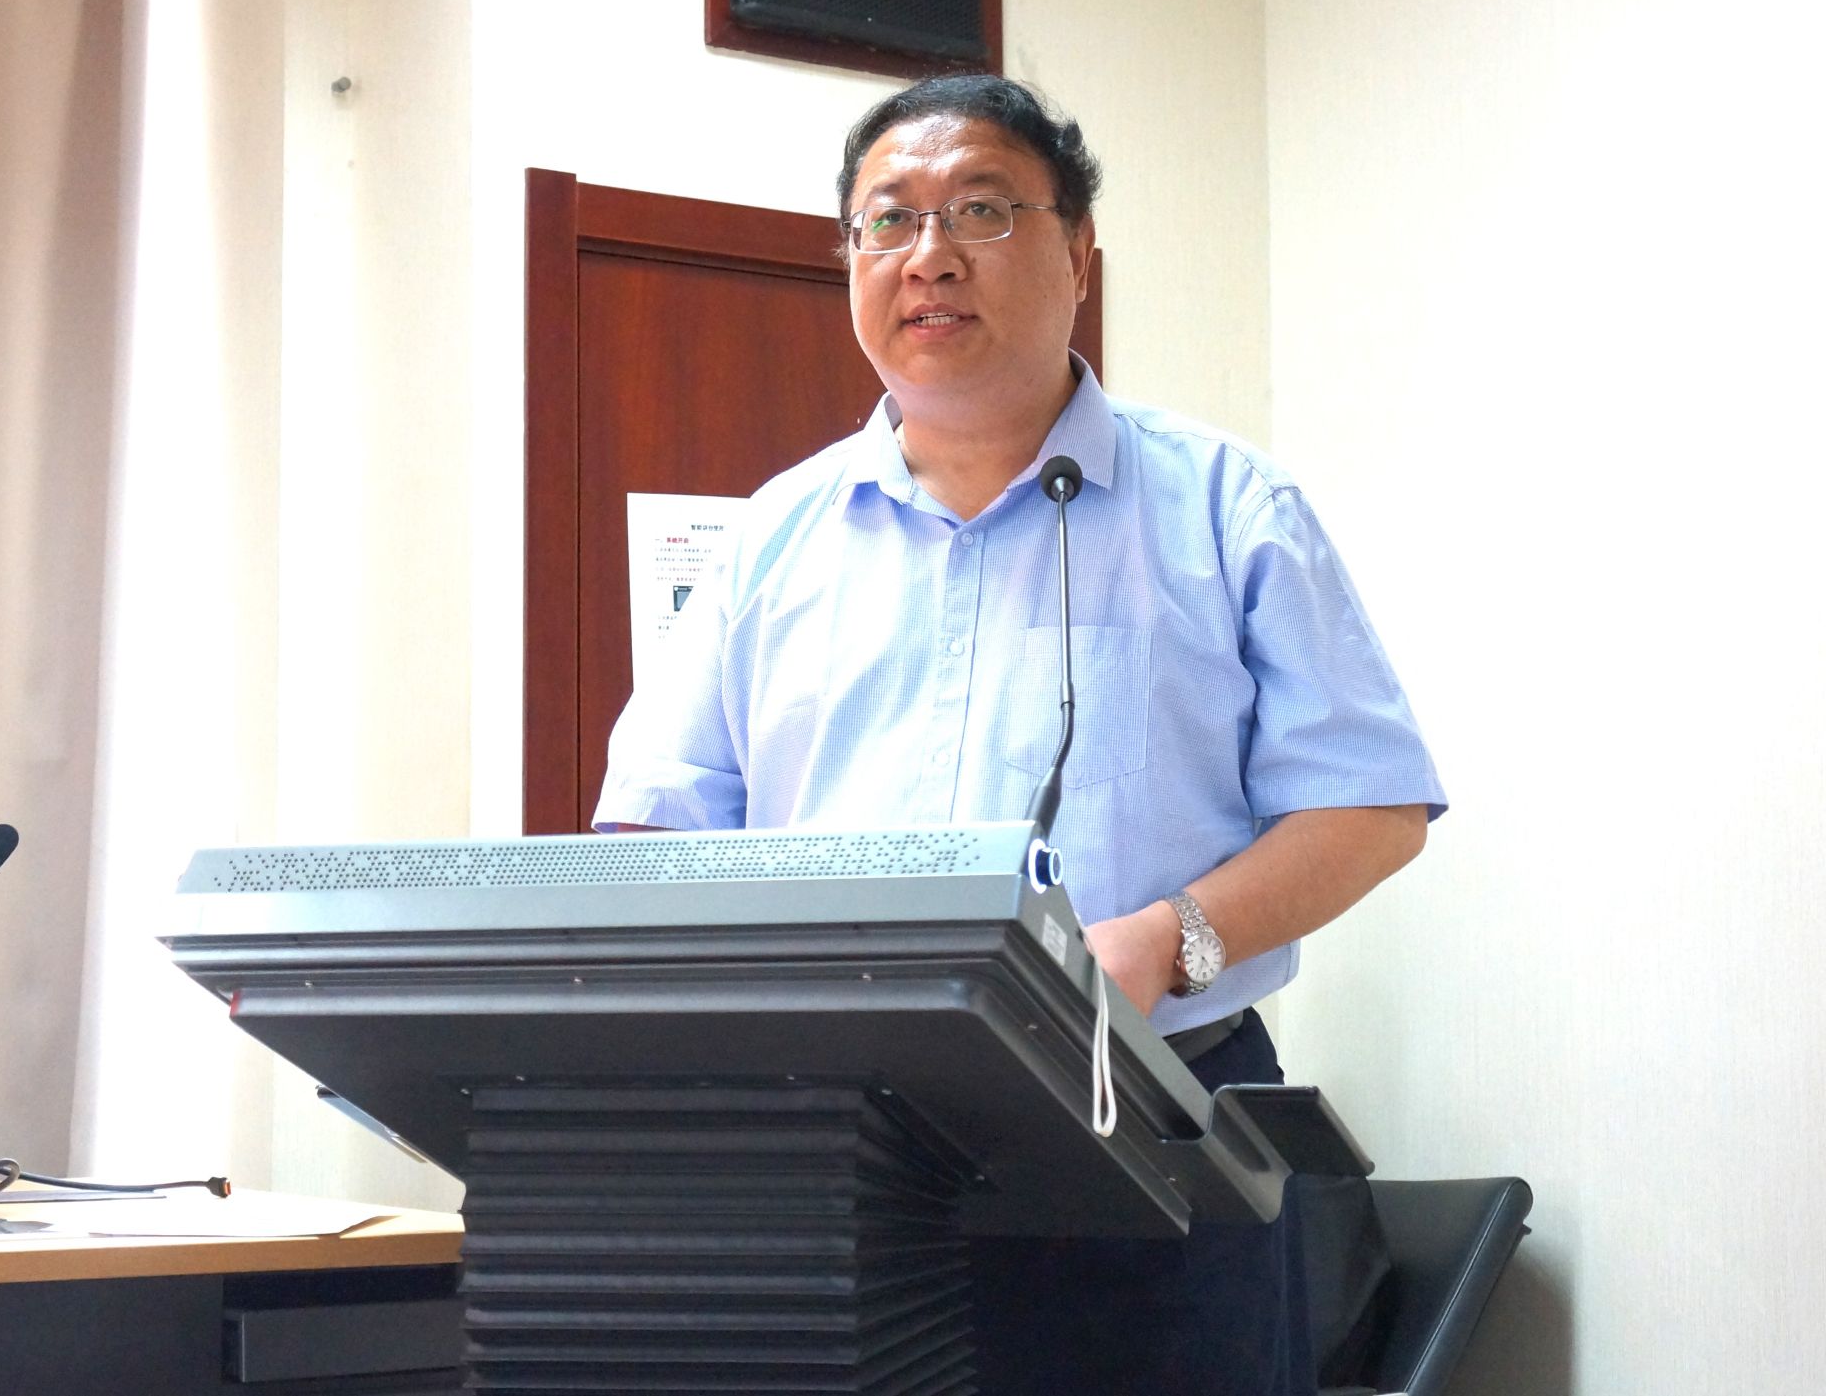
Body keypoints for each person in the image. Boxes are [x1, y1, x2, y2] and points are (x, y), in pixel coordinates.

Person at [594, 74, 1446, 1394]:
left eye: (980, 210)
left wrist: (1174, 936)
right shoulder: (772, 536)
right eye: (889, 219)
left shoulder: (1226, 506)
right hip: (838, 1155)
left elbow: (1369, 803)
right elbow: (655, 826)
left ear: (1077, 254)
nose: (928, 254)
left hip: (1158, 1131)